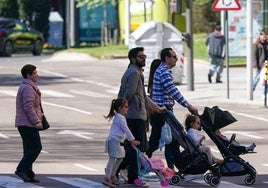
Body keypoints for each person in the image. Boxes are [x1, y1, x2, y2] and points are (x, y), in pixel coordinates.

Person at [117, 47, 163, 186]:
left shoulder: (131, 72)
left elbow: (141, 95)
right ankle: (122, 171)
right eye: (140, 57)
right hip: (135, 116)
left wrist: (153, 107)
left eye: (144, 56)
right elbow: (129, 93)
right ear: (133, 59)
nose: (144, 59)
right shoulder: (135, 73)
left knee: (134, 148)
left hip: (135, 114)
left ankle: (124, 172)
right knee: (138, 148)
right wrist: (121, 108)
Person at [146, 47, 198, 160]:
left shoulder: (163, 70)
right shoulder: (164, 72)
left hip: (165, 111)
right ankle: (136, 162)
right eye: (174, 57)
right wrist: (188, 105)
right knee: (156, 141)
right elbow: (173, 91)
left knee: (173, 141)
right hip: (162, 113)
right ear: (167, 58)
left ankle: (174, 169)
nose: (176, 59)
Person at [15, 64, 43, 183]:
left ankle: (28, 173)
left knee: (29, 149)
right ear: (28, 75)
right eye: (35, 73)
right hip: (27, 124)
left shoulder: (28, 86)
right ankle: (21, 169)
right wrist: (36, 122)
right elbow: (28, 107)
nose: (37, 75)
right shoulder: (27, 88)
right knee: (36, 147)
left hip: (24, 123)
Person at [103, 98, 140, 187]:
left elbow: (124, 131)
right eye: (126, 107)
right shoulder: (120, 117)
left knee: (119, 159)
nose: (127, 109)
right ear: (120, 108)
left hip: (116, 141)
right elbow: (126, 129)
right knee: (112, 159)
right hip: (113, 140)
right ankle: (108, 178)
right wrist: (132, 140)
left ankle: (112, 176)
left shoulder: (120, 117)